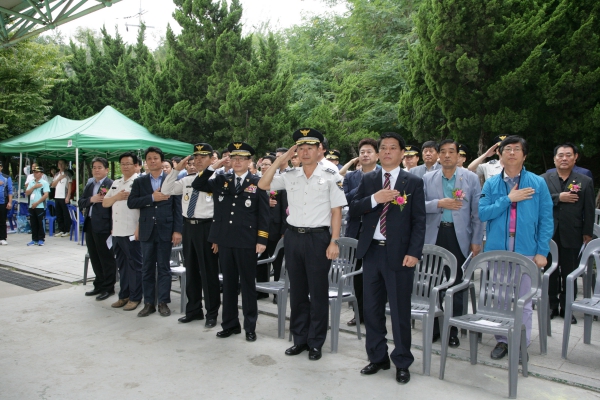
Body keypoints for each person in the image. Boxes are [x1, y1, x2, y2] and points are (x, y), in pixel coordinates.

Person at [258, 128, 347, 361]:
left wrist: (334, 241)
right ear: (295, 151)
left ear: (320, 151)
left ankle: (315, 342)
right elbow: (262, 184)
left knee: (317, 293)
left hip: (319, 239)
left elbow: (336, 212)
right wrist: (280, 160)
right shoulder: (290, 175)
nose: (305, 152)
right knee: (297, 291)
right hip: (294, 238)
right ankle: (299, 339)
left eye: (310, 148)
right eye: (301, 148)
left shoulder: (331, 175)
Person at [349, 132, 425, 384]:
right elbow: (355, 207)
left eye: (394, 148)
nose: (388, 151)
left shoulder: (412, 182)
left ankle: (402, 361)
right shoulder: (369, 179)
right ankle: (377, 357)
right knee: (371, 309)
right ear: (379, 153)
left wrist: (413, 252)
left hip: (399, 255)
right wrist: (375, 199)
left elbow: (418, 221)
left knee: (400, 311)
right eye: (384, 148)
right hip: (371, 252)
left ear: (402, 153)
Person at [479, 135, 553, 361]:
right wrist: (509, 199)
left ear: (525, 155)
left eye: (516, 149)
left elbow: (546, 219)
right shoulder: (492, 183)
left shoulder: (537, 183)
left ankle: (521, 342)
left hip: (526, 250)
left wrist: (542, 251)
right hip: (498, 250)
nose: (511, 152)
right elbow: (483, 213)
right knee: (500, 298)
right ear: (499, 155)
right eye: (507, 149)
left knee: (524, 300)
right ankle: (502, 340)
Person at [192, 142, 269, 342]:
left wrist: (262, 239)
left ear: (250, 161)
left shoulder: (257, 182)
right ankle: (230, 324)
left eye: (241, 159)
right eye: (233, 158)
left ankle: (249, 327)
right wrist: (214, 166)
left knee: (247, 286)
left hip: (247, 241)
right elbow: (198, 184)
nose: (237, 162)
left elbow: (263, 214)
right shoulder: (221, 179)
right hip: (225, 240)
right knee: (228, 285)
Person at [423, 139, 483, 346]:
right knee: (434, 282)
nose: (447, 155)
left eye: (451, 152)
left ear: (459, 156)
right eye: (443, 152)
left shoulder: (471, 179)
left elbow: (477, 212)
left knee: (457, 284)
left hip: (460, 237)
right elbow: (418, 206)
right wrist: (438, 203)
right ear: (438, 155)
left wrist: (476, 241)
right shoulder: (427, 178)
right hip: (435, 236)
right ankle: (436, 326)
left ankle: (454, 328)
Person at [162, 143, 221, 328]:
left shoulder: (218, 179)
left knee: (209, 272)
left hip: (207, 228)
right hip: (189, 227)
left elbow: (221, 211)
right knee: (192, 271)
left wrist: (217, 236)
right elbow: (166, 191)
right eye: (196, 157)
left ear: (212, 159)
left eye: (203, 157)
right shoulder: (187, 180)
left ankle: (211, 313)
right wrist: (175, 170)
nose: (198, 160)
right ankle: (193, 310)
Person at [128, 146, 183, 318]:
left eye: (155, 158)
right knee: (147, 268)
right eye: (149, 158)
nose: (152, 161)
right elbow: (131, 202)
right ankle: (149, 303)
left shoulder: (171, 180)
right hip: (146, 230)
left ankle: (163, 302)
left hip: (166, 230)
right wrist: (152, 198)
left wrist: (177, 231)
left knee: (164, 267)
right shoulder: (139, 182)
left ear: (161, 161)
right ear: (146, 162)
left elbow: (177, 208)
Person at [543, 143, 595, 324]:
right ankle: (551, 305)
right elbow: (537, 201)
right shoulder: (544, 179)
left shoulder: (584, 180)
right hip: (548, 233)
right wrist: (559, 197)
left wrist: (588, 232)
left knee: (569, 272)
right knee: (550, 271)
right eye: (560, 155)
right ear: (554, 159)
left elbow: (589, 209)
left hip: (573, 233)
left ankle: (567, 308)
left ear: (575, 158)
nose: (564, 158)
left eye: (568, 155)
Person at [343, 138, 380, 326]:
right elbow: (345, 199)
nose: (365, 155)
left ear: (378, 155)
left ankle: (375, 313)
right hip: (355, 230)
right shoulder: (351, 177)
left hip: (377, 232)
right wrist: (365, 185)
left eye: (369, 152)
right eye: (362, 152)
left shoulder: (385, 175)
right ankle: (359, 313)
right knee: (357, 274)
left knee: (375, 275)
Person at [103, 152, 142, 311]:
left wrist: (139, 228)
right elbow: (105, 202)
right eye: (123, 163)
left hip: (132, 231)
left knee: (135, 266)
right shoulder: (116, 183)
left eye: (128, 163)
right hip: (117, 231)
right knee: (122, 266)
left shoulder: (140, 182)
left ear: (135, 165)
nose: (125, 166)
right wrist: (117, 197)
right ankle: (123, 295)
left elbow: (144, 208)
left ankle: (135, 297)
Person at [79, 157, 116, 301]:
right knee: (94, 257)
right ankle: (98, 284)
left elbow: (115, 208)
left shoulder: (111, 184)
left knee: (106, 258)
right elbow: (81, 202)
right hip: (90, 224)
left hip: (105, 226)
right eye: (94, 167)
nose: (96, 170)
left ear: (106, 170)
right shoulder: (90, 184)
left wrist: (113, 226)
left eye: (100, 167)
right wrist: (91, 200)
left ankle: (108, 287)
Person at [256, 155, 287, 302]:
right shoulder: (255, 182)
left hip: (275, 227)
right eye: (262, 164)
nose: (264, 167)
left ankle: (277, 292)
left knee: (277, 260)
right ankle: (261, 290)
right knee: (261, 258)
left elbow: (284, 209)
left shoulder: (280, 182)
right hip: (258, 227)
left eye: (268, 164)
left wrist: (283, 230)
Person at [25, 166, 50, 246]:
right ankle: (34, 239)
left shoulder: (44, 183)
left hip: (40, 206)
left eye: (37, 172)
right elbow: (27, 193)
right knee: (33, 223)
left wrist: (37, 203)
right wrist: (34, 187)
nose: (35, 174)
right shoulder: (32, 182)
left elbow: (46, 195)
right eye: (34, 172)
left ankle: (41, 239)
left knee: (40, 223)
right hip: (31, 205)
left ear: (41, 174)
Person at [50, 159, 73, 237]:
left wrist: (68, 196)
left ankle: (67, 230)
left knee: (66, 214)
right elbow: (53, 185)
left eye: (62, 164)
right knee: (59, 214)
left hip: (64, 196)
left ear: (65, 165)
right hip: (57, 197)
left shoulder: (68, 174)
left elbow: (70, 186)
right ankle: (61, 229)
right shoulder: (56, 174)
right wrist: (59, 178)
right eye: (59, 164)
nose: (61, 165)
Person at [0, 161, 13, 245]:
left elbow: (10, 190)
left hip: (2, 201)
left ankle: (2, 238)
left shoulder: (6, 177)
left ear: (1, 167)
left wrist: (10, 202)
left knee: (2, 220)